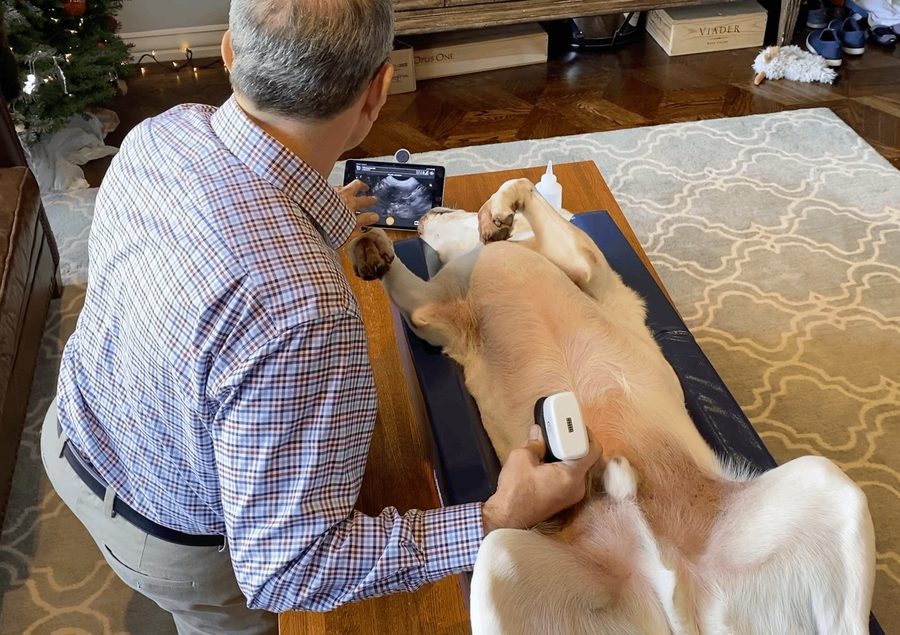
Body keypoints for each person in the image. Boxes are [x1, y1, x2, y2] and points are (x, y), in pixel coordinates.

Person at [40, 0, 601, 632]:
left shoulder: (160, 135)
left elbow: (225, 227)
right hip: (171, 537)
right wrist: (497, 517)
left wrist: (309, 210)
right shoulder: (304, 312)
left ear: (228, 51)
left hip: (73, 435)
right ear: (379, 91)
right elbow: (288, 568)